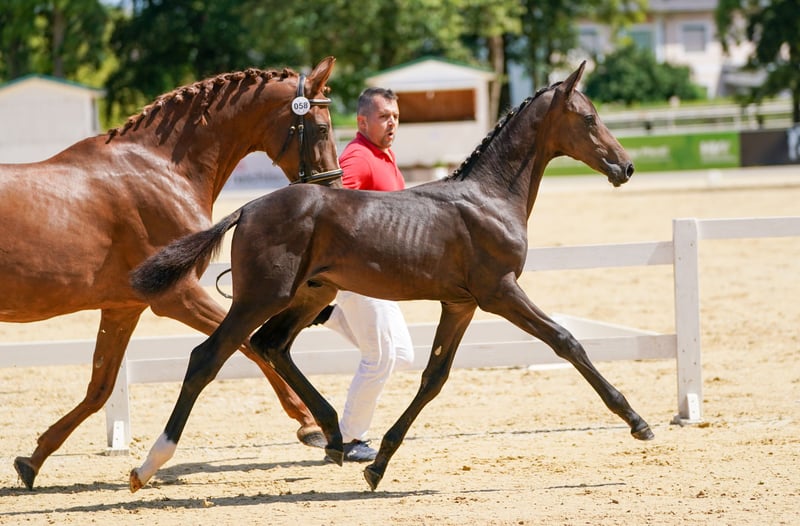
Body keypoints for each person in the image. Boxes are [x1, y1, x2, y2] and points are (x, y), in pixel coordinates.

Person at [314, 87, 415, 462]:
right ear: (362, 121)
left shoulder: (384, 155)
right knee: (380, 358)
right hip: (360, 275)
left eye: (396, 116)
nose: (392, 123)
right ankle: (349, 439)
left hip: (381, 277)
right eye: (384, 116)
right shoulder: (358, 157)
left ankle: (326, 316)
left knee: (401, 355)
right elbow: (331, 205)